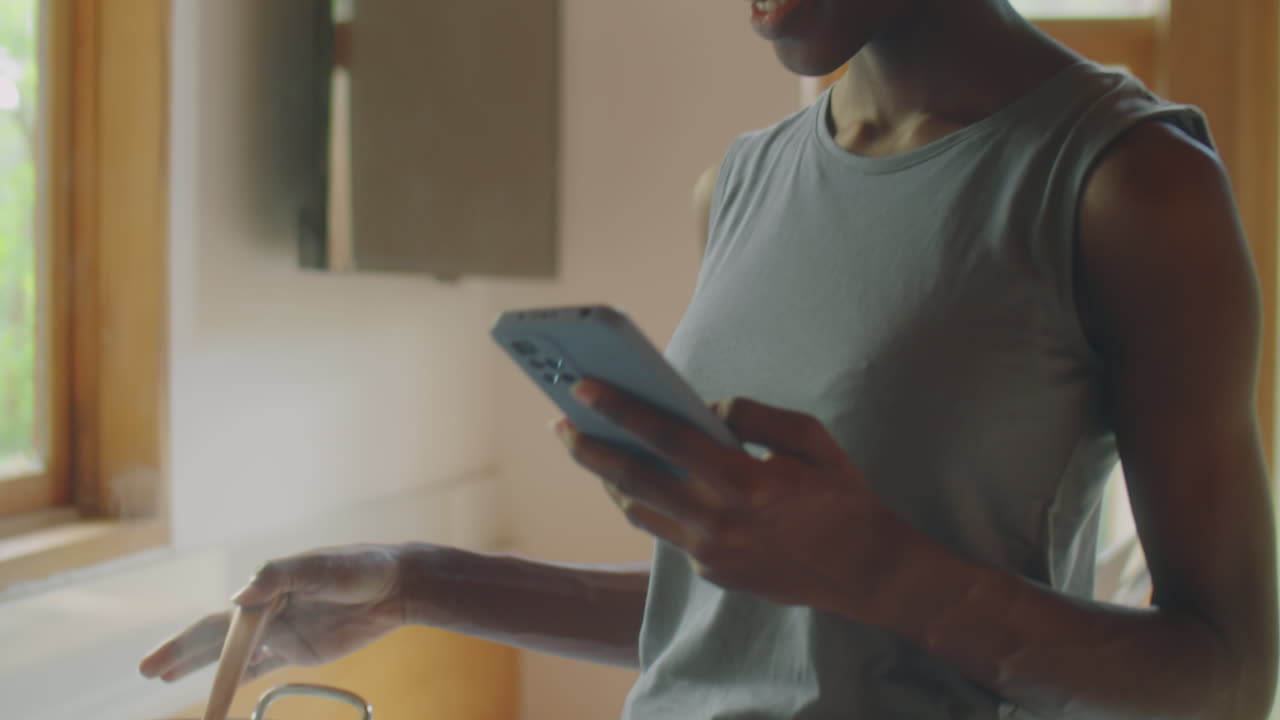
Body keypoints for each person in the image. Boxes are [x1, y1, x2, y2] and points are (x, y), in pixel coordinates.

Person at [140, 0, 1280, 717]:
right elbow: (745, 617)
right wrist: (410, 582)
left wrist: (875, 566)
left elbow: (1226, 678)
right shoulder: (736, 187)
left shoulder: (1130, 186)